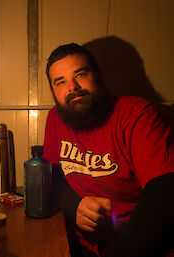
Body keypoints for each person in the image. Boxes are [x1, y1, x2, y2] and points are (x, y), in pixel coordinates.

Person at [43, 43, 174, 257]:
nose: (72, 87)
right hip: (78, 243)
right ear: (53, 91)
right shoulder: (55, 119)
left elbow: (165, 195)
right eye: (61, 82)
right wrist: (73, 205)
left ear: (98, 75)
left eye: (80, 74)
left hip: (137, 245)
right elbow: (51, 177)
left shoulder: (137, 115)